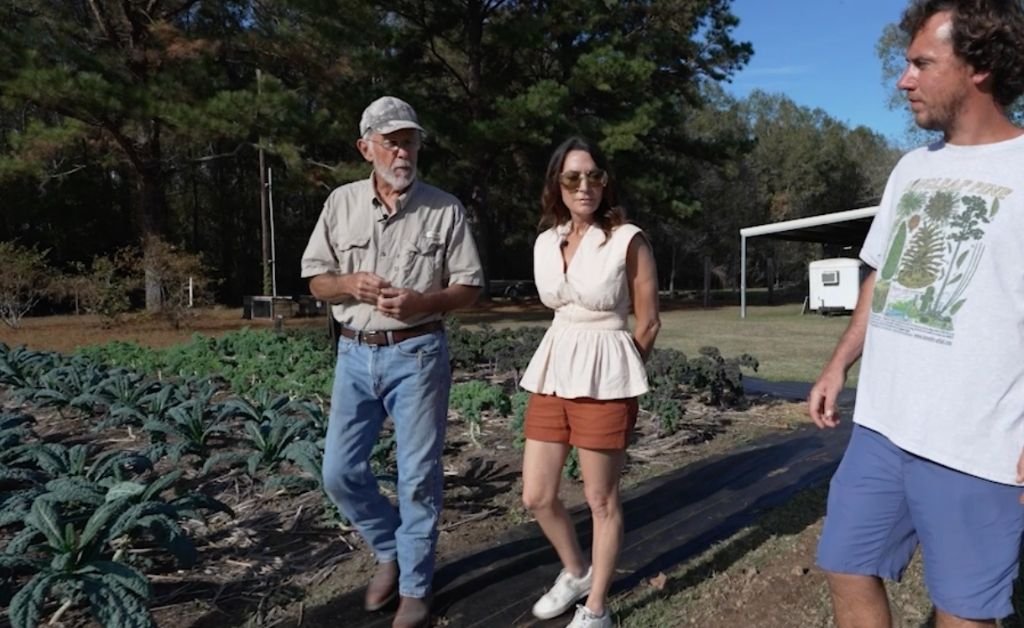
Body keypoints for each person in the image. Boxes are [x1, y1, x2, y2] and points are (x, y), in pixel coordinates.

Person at [808, 1, 1024, 626]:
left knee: (962, 611)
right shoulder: (912, 169)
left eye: (921, 64)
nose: (903, 80)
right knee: (846, 565)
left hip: (977, 444)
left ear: (979, 67)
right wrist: (837, 363)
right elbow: (883, 274)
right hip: (882, 426)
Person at [300, 96, 483, 628]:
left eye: (410, 141)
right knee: (338, 471)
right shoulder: (340, 204)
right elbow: (316, 280)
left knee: (418, 477)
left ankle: (416, 587)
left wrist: (423, 302)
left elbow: (469, 287)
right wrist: (347, 284)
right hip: (354, 353)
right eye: (392, 142)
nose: (403, 152)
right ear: (366, 148)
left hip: (419, 354)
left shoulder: (444, 208)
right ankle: (390, 549)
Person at [519, 137, 660, 628]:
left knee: (601, 500)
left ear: (606, 182)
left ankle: (596, 608)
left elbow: (648, 322)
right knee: (536, 495)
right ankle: (577, 570)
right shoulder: (545, 241)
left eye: (594, 176)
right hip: (554, 368)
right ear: (557, 184)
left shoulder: (627, 239)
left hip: (606, 373)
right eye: (573, 178)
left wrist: (622, 375)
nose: (585, 186)